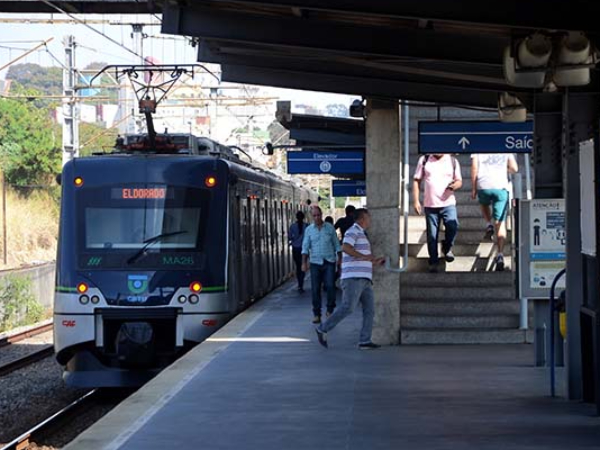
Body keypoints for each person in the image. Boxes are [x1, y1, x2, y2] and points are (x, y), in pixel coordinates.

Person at [315, 208, 385, 349]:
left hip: (365, 279)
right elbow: (346, 248)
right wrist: (365, 257)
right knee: (348, 307)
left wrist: (374, 261)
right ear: (362, 219)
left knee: (369, 310)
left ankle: (364, 341)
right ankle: (323, 328)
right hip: (353, 278)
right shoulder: (352, 231)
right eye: (368, 218)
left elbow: (359, 257)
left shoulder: (362, 234)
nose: (370, 220)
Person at [413, 153, 462, 273]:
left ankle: (447, 247)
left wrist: (454, 186)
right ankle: (433, 261)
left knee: (453, 225)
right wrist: (416, 201)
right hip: (430, 205)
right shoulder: (424, 160)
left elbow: (459, 181)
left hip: (448, 203)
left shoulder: (452, 161)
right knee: (432, 235)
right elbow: (416, 180)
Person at [471, 153, 518, 271]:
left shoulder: (477, 148)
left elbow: (474, 168)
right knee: (500, 223)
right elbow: (514, 168)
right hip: (500, 186)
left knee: (484, 203)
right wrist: (503, 168)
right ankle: (500, 254)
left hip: (483, 185)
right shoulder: (506, 147)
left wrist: (474, 188)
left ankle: (488, 224)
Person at [301, 206, 341, 324]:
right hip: (315, 263)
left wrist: (340, 259)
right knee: (315, 289)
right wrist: (304, 263)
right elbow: (305, 247)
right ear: (311, 217)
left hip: (329, 261)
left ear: (321, 215)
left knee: (330, 286)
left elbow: (336, 244)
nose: (317, 218)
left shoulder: (330, 228)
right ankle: (317, 314)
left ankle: (330, 308)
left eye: (318, 215)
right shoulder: (309, 230)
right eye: (314, 216)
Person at [289, 211, 307, 293]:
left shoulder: (292, 226)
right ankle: (301, 284)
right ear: (303, 217)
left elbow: (290, 237)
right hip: (304, 250)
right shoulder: (306, 226)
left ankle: (299, 284)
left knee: (298, 267)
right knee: (303, 266)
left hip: (295, 249)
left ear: (296, 217)